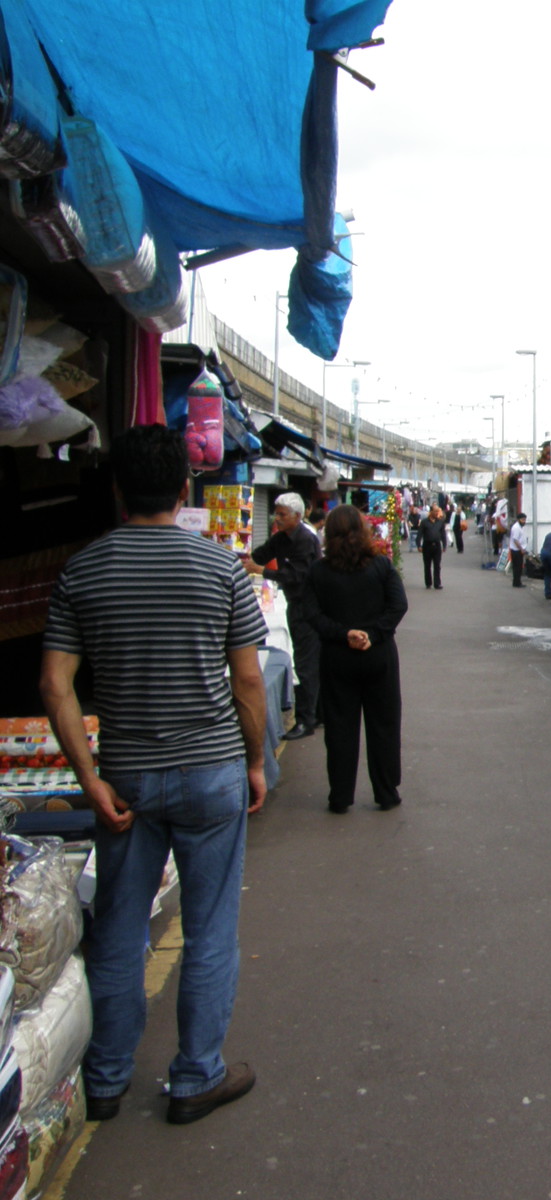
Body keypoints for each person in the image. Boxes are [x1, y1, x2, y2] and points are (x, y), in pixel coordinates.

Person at [38, 424, 264, 1126]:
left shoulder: (83, 570)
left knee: (118, 929)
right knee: (209, 932)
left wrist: (90, 778)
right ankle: (196, 1075)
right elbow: (250, 683)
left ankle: (104, 1081)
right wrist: (256, 761)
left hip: (127, 780)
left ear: (116, 490)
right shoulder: (222, 569)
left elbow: (54, 684)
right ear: (183, 490)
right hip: (210, 773)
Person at [303, 505, 408, 813]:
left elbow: (311, 613)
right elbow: (398, 606)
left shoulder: (318, 572)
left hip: (337, 658)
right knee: (384, 725)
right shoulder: (381, 566)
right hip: (379, 657)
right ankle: (387, 793)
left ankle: (340, 795)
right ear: (363, 531)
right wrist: (371, 634)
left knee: (339, 727)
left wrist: (344, 633)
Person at [243, 491, 321, 740]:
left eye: (281, 514)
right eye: (275, 513)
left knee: (306, 664)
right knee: (307, 661)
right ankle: (315, 714)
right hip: (294, 604)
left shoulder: (305, 539)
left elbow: (297, 575)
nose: (276, 518)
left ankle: (306, 720)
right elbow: (260, 555)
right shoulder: (282, 538)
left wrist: (262, 572)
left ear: (297, 516)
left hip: (309, 607)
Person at [419, 504, 447, 590]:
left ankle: (437, 583)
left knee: (437, 565)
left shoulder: (440, 522)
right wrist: (418, 545)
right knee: (427, 565)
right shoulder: (424, 522)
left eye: (437, 511)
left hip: (437, 546)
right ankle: (428, 583)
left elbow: (443, 534)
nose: (436, 513)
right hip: (427, 546)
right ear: (431, 512)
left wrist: (444, 545)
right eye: (435, 511)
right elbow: (420, 534)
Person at [507, 511, 530, 588]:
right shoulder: (516, 528)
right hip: (516, 550)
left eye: (525, 520)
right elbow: (515, 540)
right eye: (523, 520)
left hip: (518, 550)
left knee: (518, 567)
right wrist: (521, 549)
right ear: (518, 520)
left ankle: (517, 582)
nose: (524, 521)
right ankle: (517, 582)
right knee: (517, 567)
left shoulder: (519, 527)